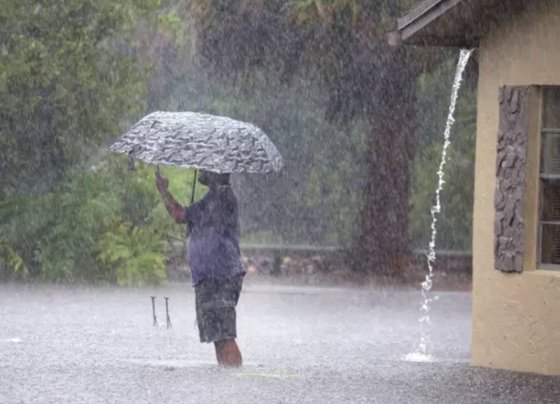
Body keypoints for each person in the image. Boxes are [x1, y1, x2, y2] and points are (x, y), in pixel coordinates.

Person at [156, 168, 245, 367]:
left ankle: (235, 379)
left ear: (217, 171)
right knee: (218, 336)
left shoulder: (222, 197)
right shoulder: (214, 197)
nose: (201, 170)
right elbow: (182, 215)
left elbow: (179, 215)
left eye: (206, 167)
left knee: (224, 335)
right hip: (210, 276)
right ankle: (227, 378)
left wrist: (163, 192)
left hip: (219, 276)